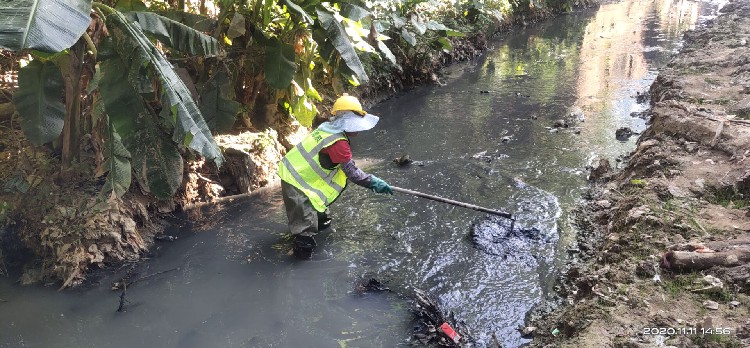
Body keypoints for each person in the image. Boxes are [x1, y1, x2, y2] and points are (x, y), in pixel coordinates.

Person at [277, 94, 393, 259]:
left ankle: (317, 236)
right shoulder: (338, 143)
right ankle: (299, 262)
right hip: (296, 179)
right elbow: (352, 172)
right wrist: (373, 182)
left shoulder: (327, 127)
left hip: (300, 173)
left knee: (322, 219)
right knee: (305, 230)